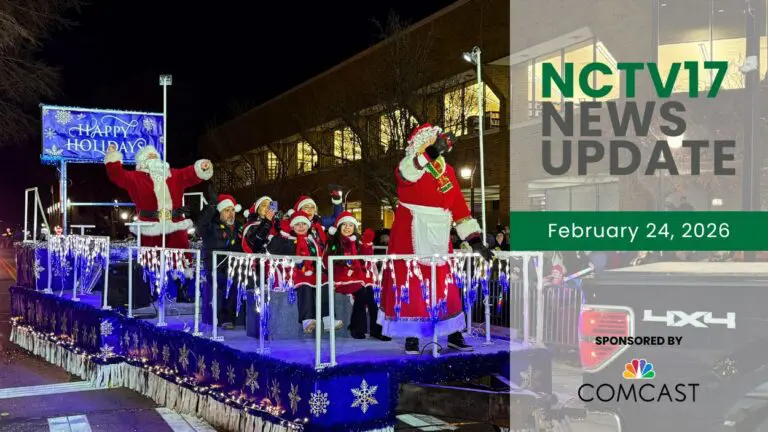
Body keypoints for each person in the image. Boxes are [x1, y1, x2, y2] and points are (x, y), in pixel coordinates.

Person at [380, 123, 494, 355]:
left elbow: (458, 206)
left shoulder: (448, 171)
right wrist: (430, 153)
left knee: (444, 285)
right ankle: (411, 334)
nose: (434, 146)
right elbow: (406, 175)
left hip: (440, 232)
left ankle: (452, 332)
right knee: (410, 283)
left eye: (435, 142)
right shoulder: (409, 166)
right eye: (429, 142)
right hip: (410, 230)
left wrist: (474, 240)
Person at [104, 144, 213, 249]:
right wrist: (113, 156)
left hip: (175, 226)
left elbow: (189, 173)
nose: (153, 157)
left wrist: (201, 167)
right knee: (152, 262)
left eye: (155, 155)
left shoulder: (173, 175)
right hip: (150, 228)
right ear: (142, 162)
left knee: (179, 261)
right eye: (149, 156)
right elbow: (117, 175)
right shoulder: (134, 178)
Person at [267, 210, 342, 333]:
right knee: (305, 285)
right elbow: (272, 249)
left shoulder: (311, 240)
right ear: (292, 226)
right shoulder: (287, 239)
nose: (301, 227)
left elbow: (319, 257)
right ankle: (307, 320)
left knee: (325, 283)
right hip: (292, 272)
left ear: (308, 225)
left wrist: (325, 272)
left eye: (304, 224)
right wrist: (283, 234)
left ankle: (328, 319)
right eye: (298, 224)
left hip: (311, 272)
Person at [325, 212, 390, 340]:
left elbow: (366, 258)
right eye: (344, 225)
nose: (347, 227)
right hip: (342, 277)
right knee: (362, 293)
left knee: (373, 295)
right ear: (338, 227)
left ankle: (377, 330)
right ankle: (357, 328)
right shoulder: (334, 241)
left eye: (350, 225)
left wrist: (366, 244)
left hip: (359, 275)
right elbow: (327, 261)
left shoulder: (356, 241)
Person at [196, 187, 244, 329]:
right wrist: (212, 205)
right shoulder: (211, 227)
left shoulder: (239, 227)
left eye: (233, 210)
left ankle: (248, 319)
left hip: (235, 266)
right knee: (229, 282)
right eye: (227, 210)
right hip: (215, 268)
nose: (231, 214)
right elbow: (200, 225)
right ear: (220, 212)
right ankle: (225, 318)